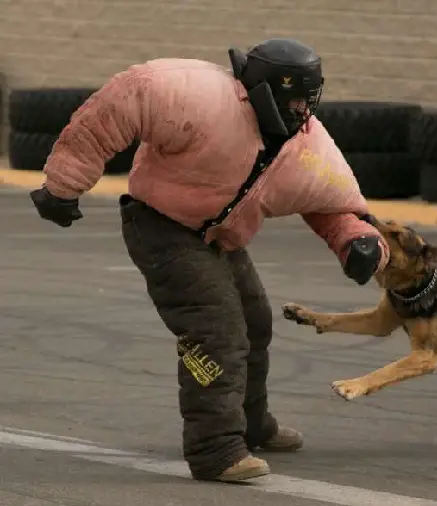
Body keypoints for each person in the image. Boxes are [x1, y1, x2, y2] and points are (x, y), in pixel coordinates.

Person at [28, 38, 390, 483]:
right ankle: (214, 448)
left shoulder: (308, 145)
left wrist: (356, 242)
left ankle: (252, 424)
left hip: (219, 238)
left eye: (307, 101)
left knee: (255, 323)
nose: (302, 111)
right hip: (158, 225)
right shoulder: (194, 95)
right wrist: (63, 185)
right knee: (216, 327)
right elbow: (115, 106)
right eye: (294, 99)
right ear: (264, 89)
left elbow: (334, 206)